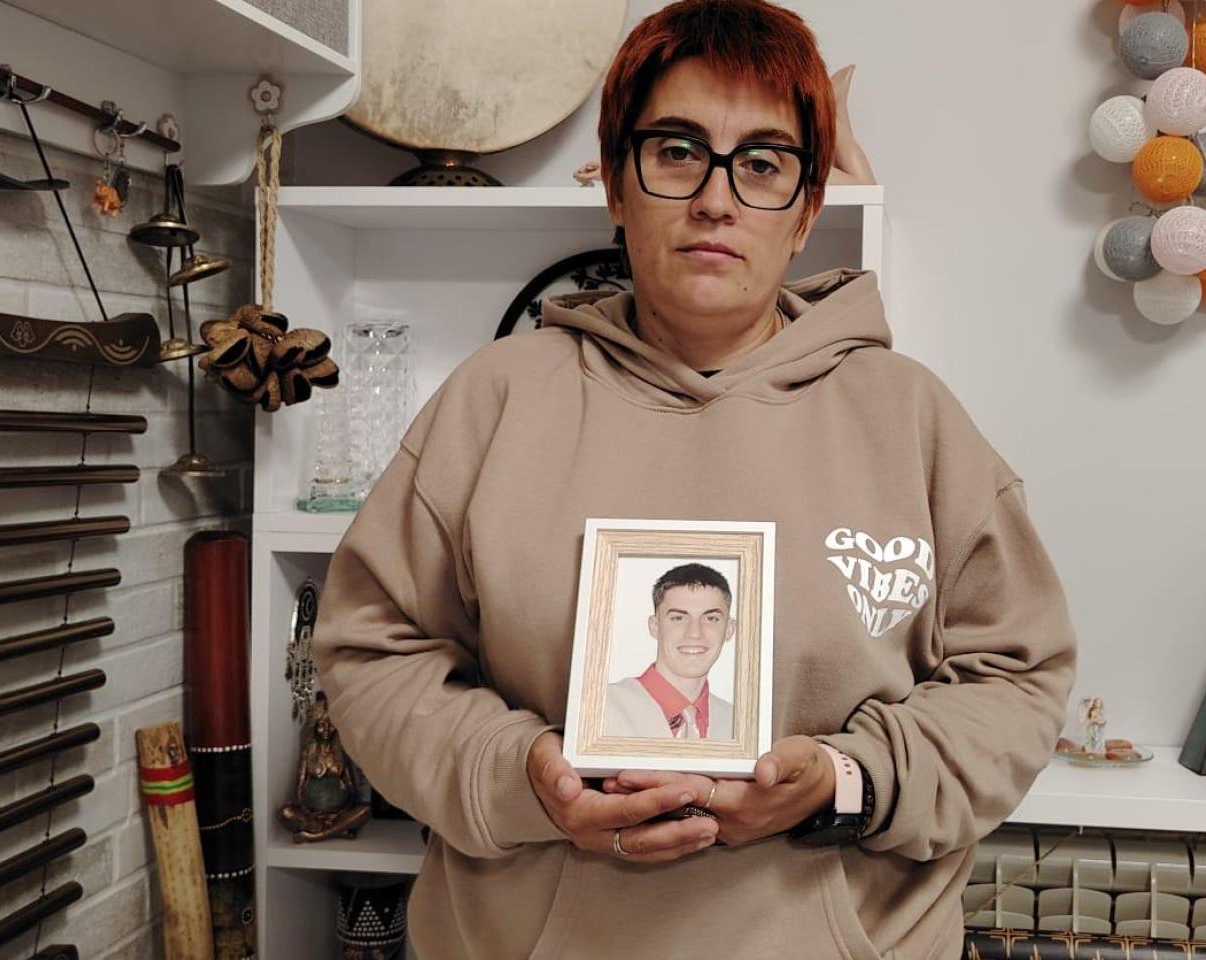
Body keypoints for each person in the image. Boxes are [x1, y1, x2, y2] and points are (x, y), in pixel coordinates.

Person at [313, 1, 1077, 957]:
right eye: (676, 152)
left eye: (762, 163)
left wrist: (848, 781)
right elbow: (372, 654)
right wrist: (522, 776)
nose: (717, 199)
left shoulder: (911, 417)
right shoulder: (494, 400)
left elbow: (1017, 678)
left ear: (807, 211)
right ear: (615, 184)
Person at [603, 563, 736, 740]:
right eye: (678, 618)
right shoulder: (600, 708)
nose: (694, 633)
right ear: (655, 626)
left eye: (711, 618)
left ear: (729, 629)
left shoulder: (739, 726)